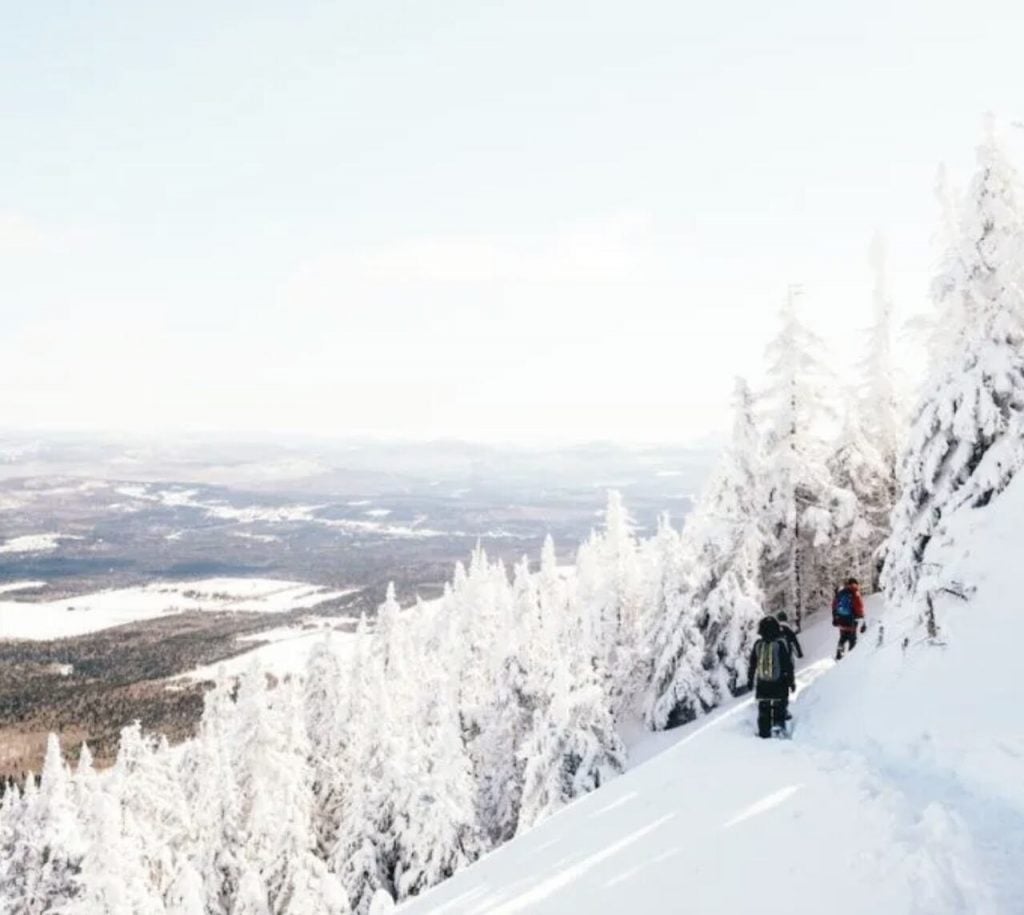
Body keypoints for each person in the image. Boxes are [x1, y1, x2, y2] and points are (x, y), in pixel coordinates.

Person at [747, 616, 796, 738]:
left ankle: (764, 733)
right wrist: (791, 682)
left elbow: (752, 664)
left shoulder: (758, 645)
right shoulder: (779, 645)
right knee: (779, 708)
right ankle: (779, 729)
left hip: (763, 685)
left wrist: (750, 680)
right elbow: (787, 665)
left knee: (764, 711)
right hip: (779, 685)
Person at [832, 577, 866, 660]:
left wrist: (835, 617)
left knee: (843, 637)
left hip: (841, 619)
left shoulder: (841, 592)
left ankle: (839, 656)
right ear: (855, 584)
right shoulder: (855, 592)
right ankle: (851, 659)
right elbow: (859, 606)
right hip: (851, 619)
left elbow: (834, 605)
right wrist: (861, 617)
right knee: (852, 638)